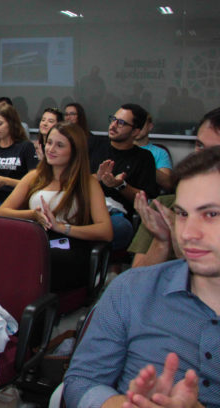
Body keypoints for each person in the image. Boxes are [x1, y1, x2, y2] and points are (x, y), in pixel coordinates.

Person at [63, 146, 220, 408]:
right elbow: (82, 381)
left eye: (211, 214)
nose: (188, 233)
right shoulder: (132, 289)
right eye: (182, 214)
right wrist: (122, 403)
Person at [0, 122, 113, 290]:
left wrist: (61, 227)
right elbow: (1, 213)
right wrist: (33, 215)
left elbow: (106, 231)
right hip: (36, 239)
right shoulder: (34, 177)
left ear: (75, 151)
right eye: (49, 142)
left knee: (39, 260)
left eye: (59, 145)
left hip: (70, 245)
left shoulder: (88, 182)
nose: (50, 149)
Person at [130, 106, 220, 268]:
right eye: (200, 146)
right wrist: (162, 240)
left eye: (215, 151)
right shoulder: (164, 206)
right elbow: (136, 281)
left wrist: (178, 238)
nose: (202, 158)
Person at [89, 103, 159, 250]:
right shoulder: (94, 145)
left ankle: (108, 267)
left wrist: (120, 186)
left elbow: (145, 199)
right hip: (85, 206)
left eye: (121, 123)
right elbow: (73, 179)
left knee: (121, 228)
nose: (113, 125)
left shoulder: (144, 158)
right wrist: (97, 178)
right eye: (113, 119)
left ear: (135, 131)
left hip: (115, 215)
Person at [134, 113, 173, 192]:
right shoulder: (120, 148)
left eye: (141, 124)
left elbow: (168, 184)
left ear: (150, 126)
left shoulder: (160, 152)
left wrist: (146, 165)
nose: (136, 128)